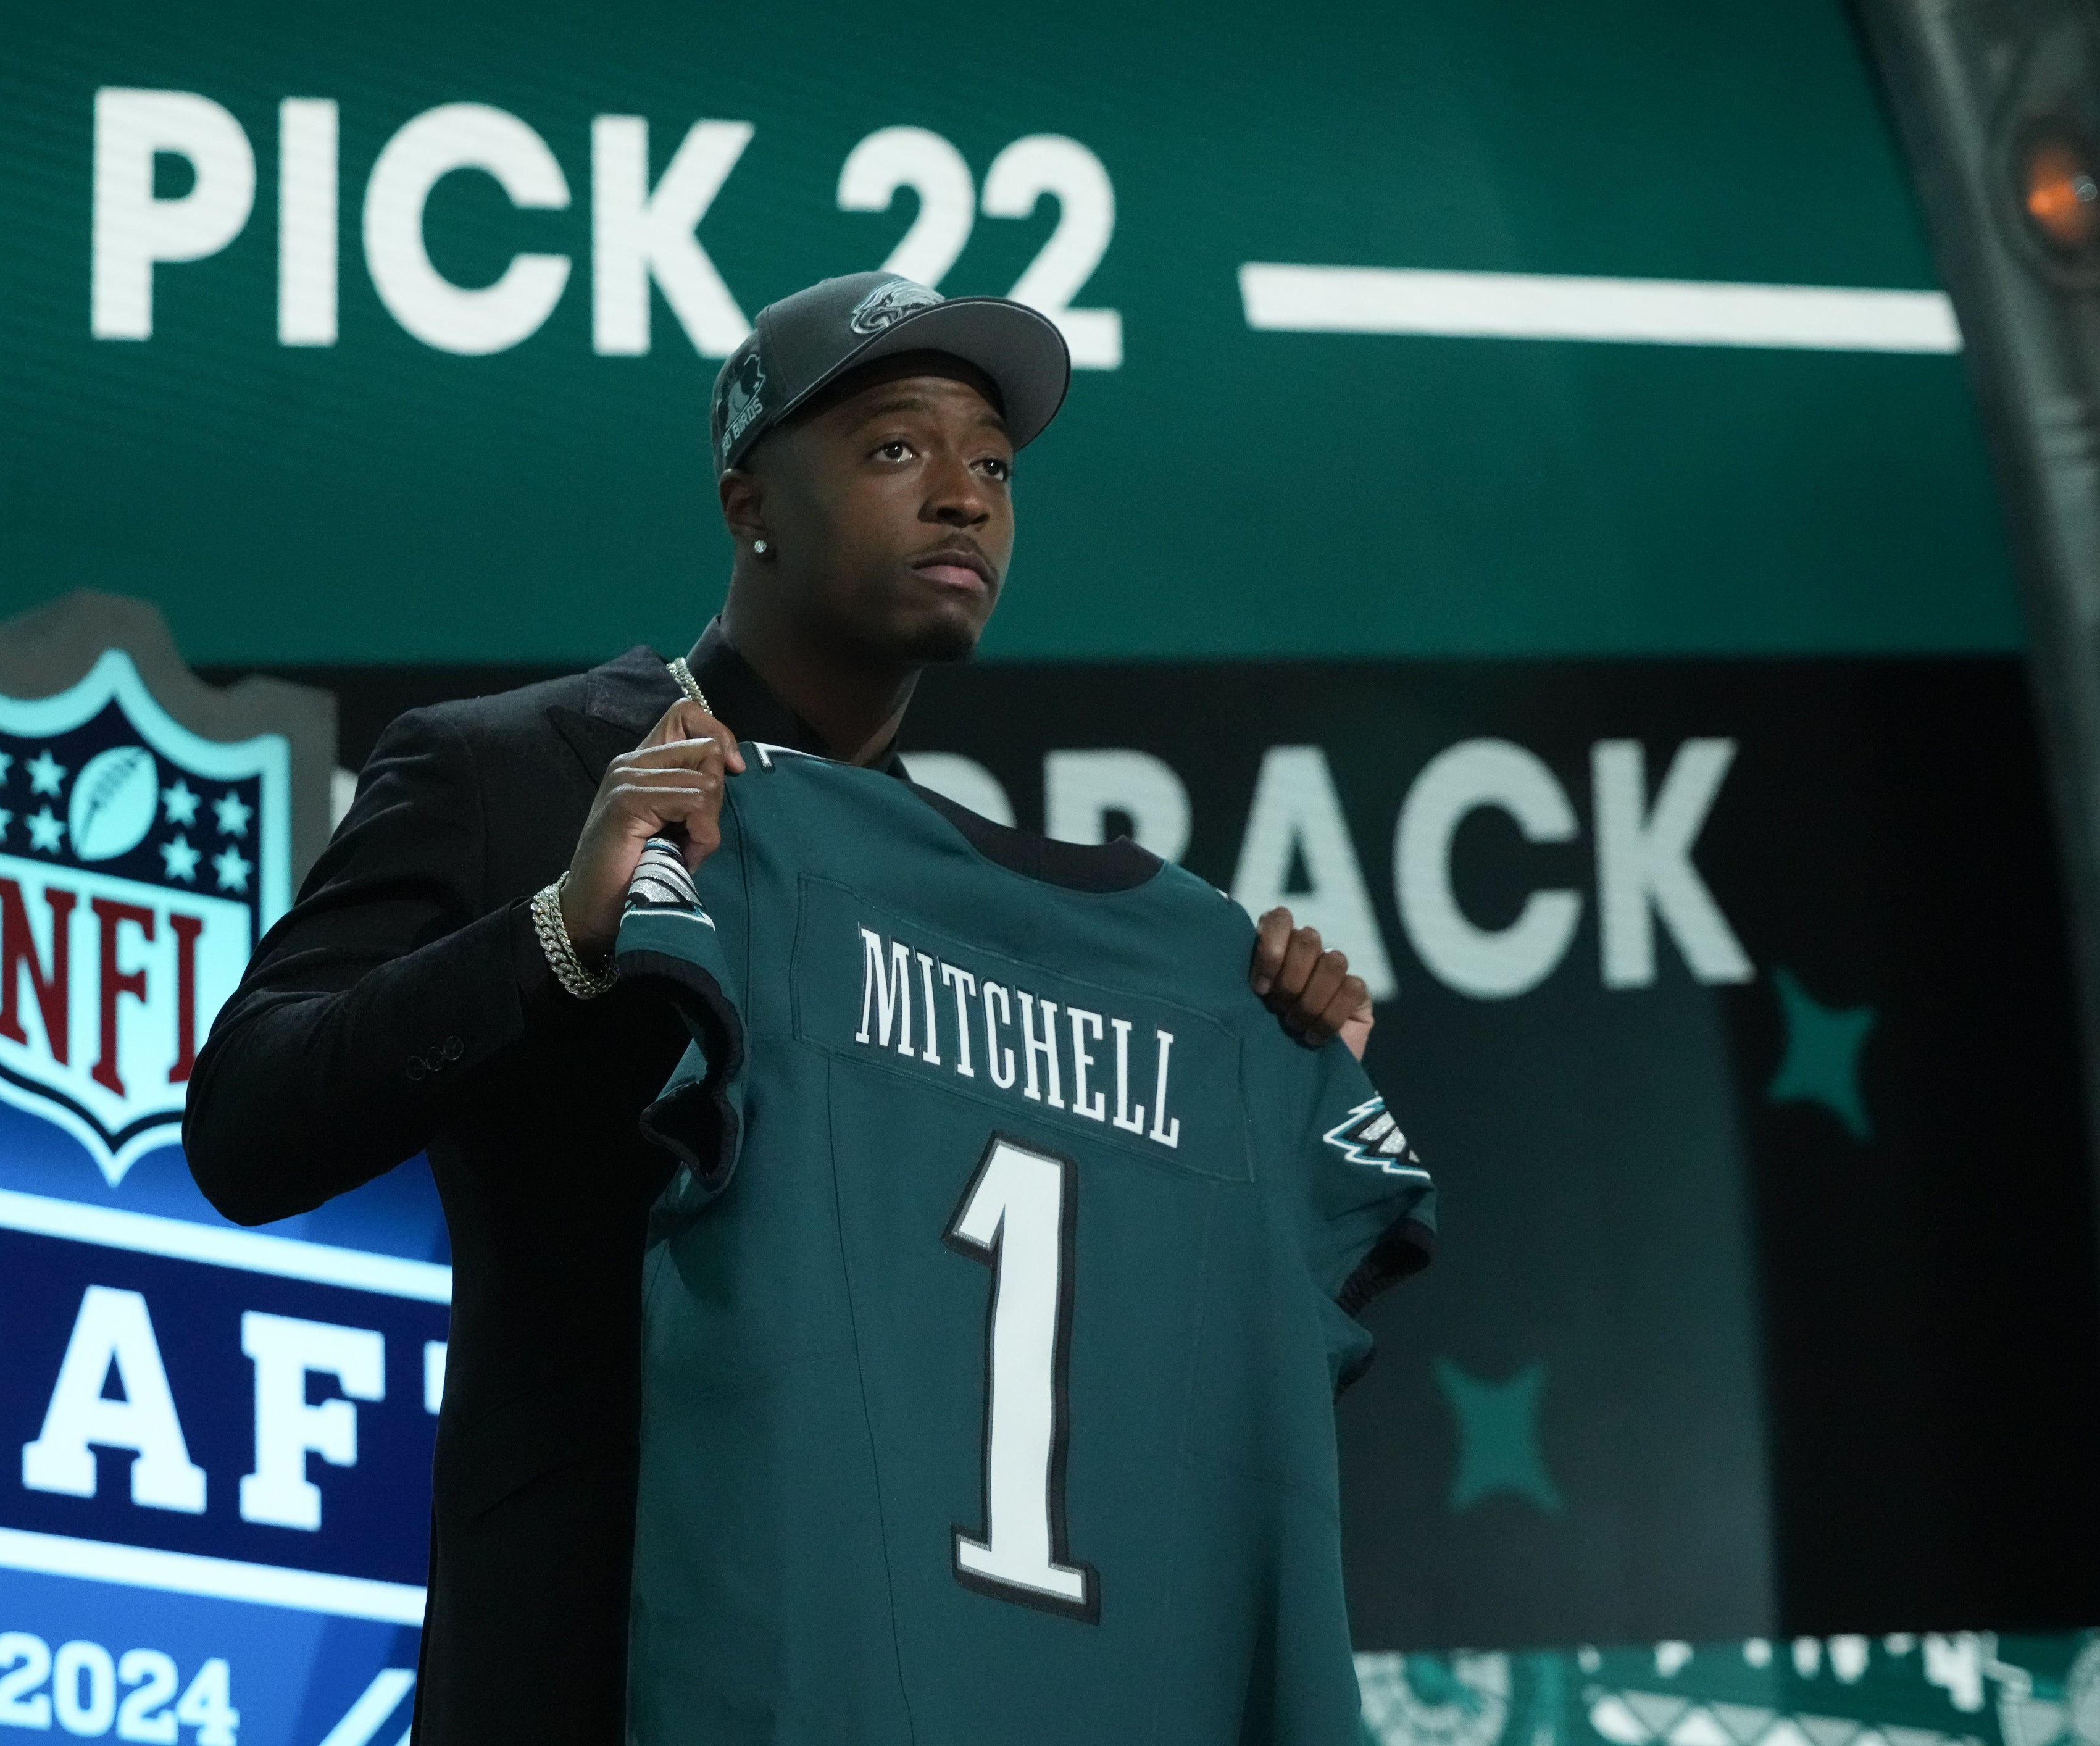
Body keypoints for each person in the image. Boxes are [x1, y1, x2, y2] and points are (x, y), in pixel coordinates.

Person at [182, 272, 1373, 1746]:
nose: (964, 501)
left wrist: (1269, 1074)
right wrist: (559, 931)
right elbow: (247, 1123)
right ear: (751, 501)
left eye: (993, 468)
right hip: (587, 1664)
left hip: (917, 1677)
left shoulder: (1001, 921)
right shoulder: (511, 769)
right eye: (896, 451)